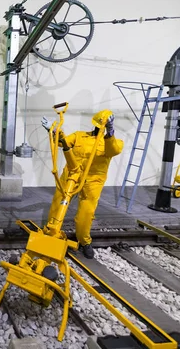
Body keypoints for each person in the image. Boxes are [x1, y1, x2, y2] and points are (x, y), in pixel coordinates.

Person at [42, 110, 123, 259]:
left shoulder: (111, 142)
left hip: (93, 181)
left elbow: (113, 151)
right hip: (71, 175)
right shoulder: (79, 136)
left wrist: (110, 133)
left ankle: (84, 241)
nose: (99, 128)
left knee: (86, 214)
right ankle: (49, 233)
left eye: (103, 125)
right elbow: (62, 142)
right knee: (58, 205)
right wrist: (54, 131)